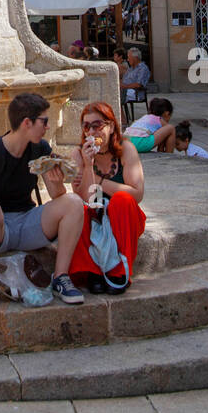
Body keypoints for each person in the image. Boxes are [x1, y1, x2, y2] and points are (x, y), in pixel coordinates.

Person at [0, 91, 86, 313]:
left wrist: (58, 182)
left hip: (26, 223)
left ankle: (61, 277)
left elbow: (57, 197)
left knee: (73, 202)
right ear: (27, 122)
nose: (47, 127)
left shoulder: (40, 149)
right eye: (44, 121)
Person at [67, 101, 146, 292]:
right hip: (96, 216)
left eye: (98, 125)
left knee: (122, 200)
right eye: (87, 126)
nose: (92, 131)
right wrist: (87, 165)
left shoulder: (126, 150)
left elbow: (136, 194)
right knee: (78, 208)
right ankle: (92, 271)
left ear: (111, 126)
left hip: (123, 217)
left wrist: (101, 182)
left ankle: (119, 272)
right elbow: (85, 196)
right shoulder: (78, 155)